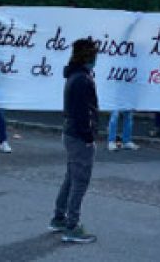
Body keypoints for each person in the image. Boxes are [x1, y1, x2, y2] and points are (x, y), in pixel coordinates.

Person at [50, 38, 100, 243]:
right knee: (80, 180)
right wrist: (88, 136)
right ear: (88, 56)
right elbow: (83, 112)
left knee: (71, 177)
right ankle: (72, 226)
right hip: (79, 136)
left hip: (71, 133)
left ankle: (59, 218)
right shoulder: (82, 80)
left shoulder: (74, 76)